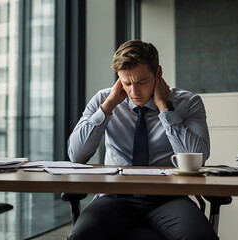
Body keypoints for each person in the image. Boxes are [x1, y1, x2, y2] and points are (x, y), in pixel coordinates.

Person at [67, 40, 217, 240]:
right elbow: (76, 156)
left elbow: (198, 158)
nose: (134, 92)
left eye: (142, 81)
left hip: (168, 197)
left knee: (200, 238)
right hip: (115, 197)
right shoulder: (103, 100)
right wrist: (108, 107)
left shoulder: (188, 102)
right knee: (81, 237)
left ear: (158, 73)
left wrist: (165, 108)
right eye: (126, 83)